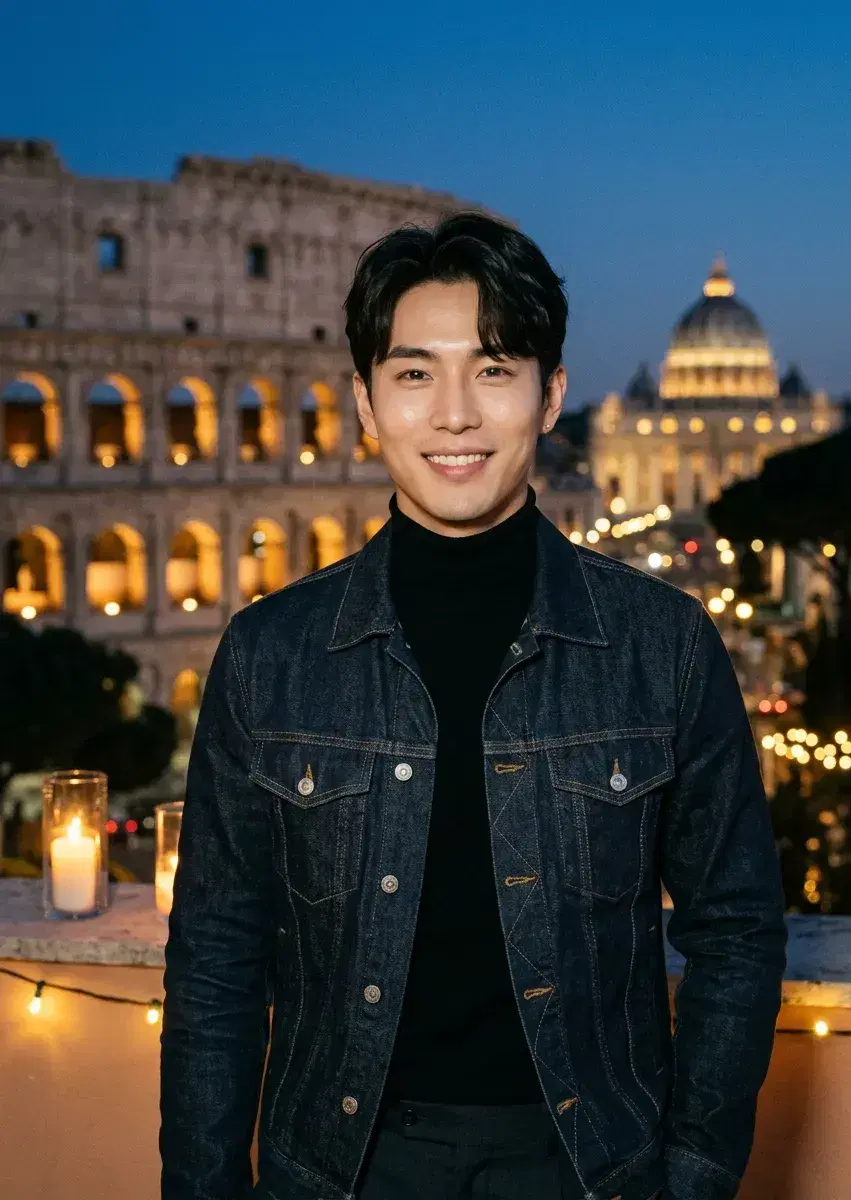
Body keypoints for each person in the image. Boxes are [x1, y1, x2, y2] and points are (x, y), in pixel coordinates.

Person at [160, 213, 788, 1200]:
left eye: (493, 370)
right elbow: (214, 956)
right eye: (414, 374)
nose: (454, 414)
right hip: (336, 1170)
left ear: (550, 399)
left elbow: (736, 930)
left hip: (589, 1167)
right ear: (365, 401)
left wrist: (694, 1176)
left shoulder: (663, 644)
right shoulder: (267, 653)